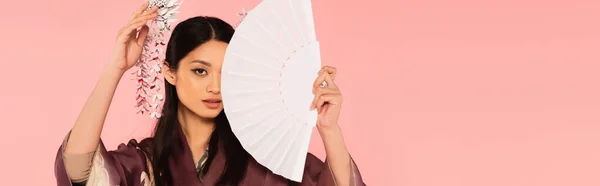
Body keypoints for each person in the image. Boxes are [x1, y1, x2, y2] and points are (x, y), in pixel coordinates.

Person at [54, 2, 365, 186]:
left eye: (226, 73)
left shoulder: (268, 161)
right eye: (200, 71)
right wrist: (115, 68)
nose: (216, 86)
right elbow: (78, 172)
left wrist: (329, 129)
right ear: (170, 72)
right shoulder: (145, 164)